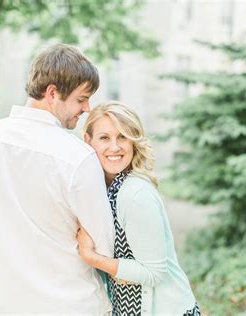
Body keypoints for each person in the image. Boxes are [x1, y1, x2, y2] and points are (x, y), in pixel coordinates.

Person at [0, 44, 114, 315]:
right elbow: (104, 247)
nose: (87, 108)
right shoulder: (78, 157)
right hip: (71, 304)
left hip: (4, 304)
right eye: (81, 99)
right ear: (52, 93)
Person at [77, 101, 201, 315]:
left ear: (134, 142)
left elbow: (154, 273)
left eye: (123, 136)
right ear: (88, 141)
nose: (114, 147)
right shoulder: (102, 191)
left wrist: (92, 257)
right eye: (104, 138)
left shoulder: (134, 194)